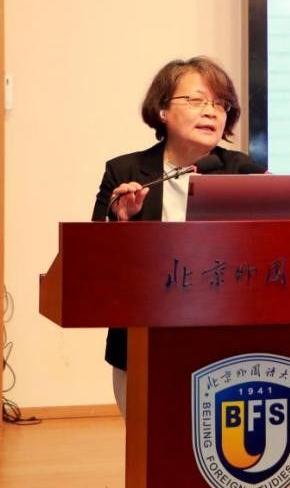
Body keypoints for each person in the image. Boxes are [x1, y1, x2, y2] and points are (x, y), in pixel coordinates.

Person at [91, 56, 263, 416]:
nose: (211, 111)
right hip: (143, 340)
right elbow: (93, 260)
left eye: (220, 103)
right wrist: (122, 221)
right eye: (196, 100)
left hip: (224, 344)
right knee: (147, 441)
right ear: (163, 110)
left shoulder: (243, 171)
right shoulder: (125, 171)